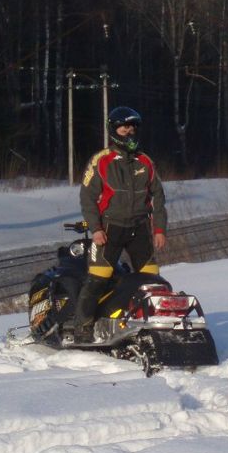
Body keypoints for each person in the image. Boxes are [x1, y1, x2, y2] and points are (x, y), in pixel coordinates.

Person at [69, 106, 167, 343]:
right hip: (109, 228)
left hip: (140, 228)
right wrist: (96, 229)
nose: (130, 132)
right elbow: (87, 197)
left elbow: (159, 197)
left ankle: (149, 321)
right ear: (114, 130)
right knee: (98, 277)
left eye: (133, 127)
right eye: (125, 127)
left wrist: (160, 229)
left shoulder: (145, 161)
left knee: (151, 279)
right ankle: (82, 327)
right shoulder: (101, 160)